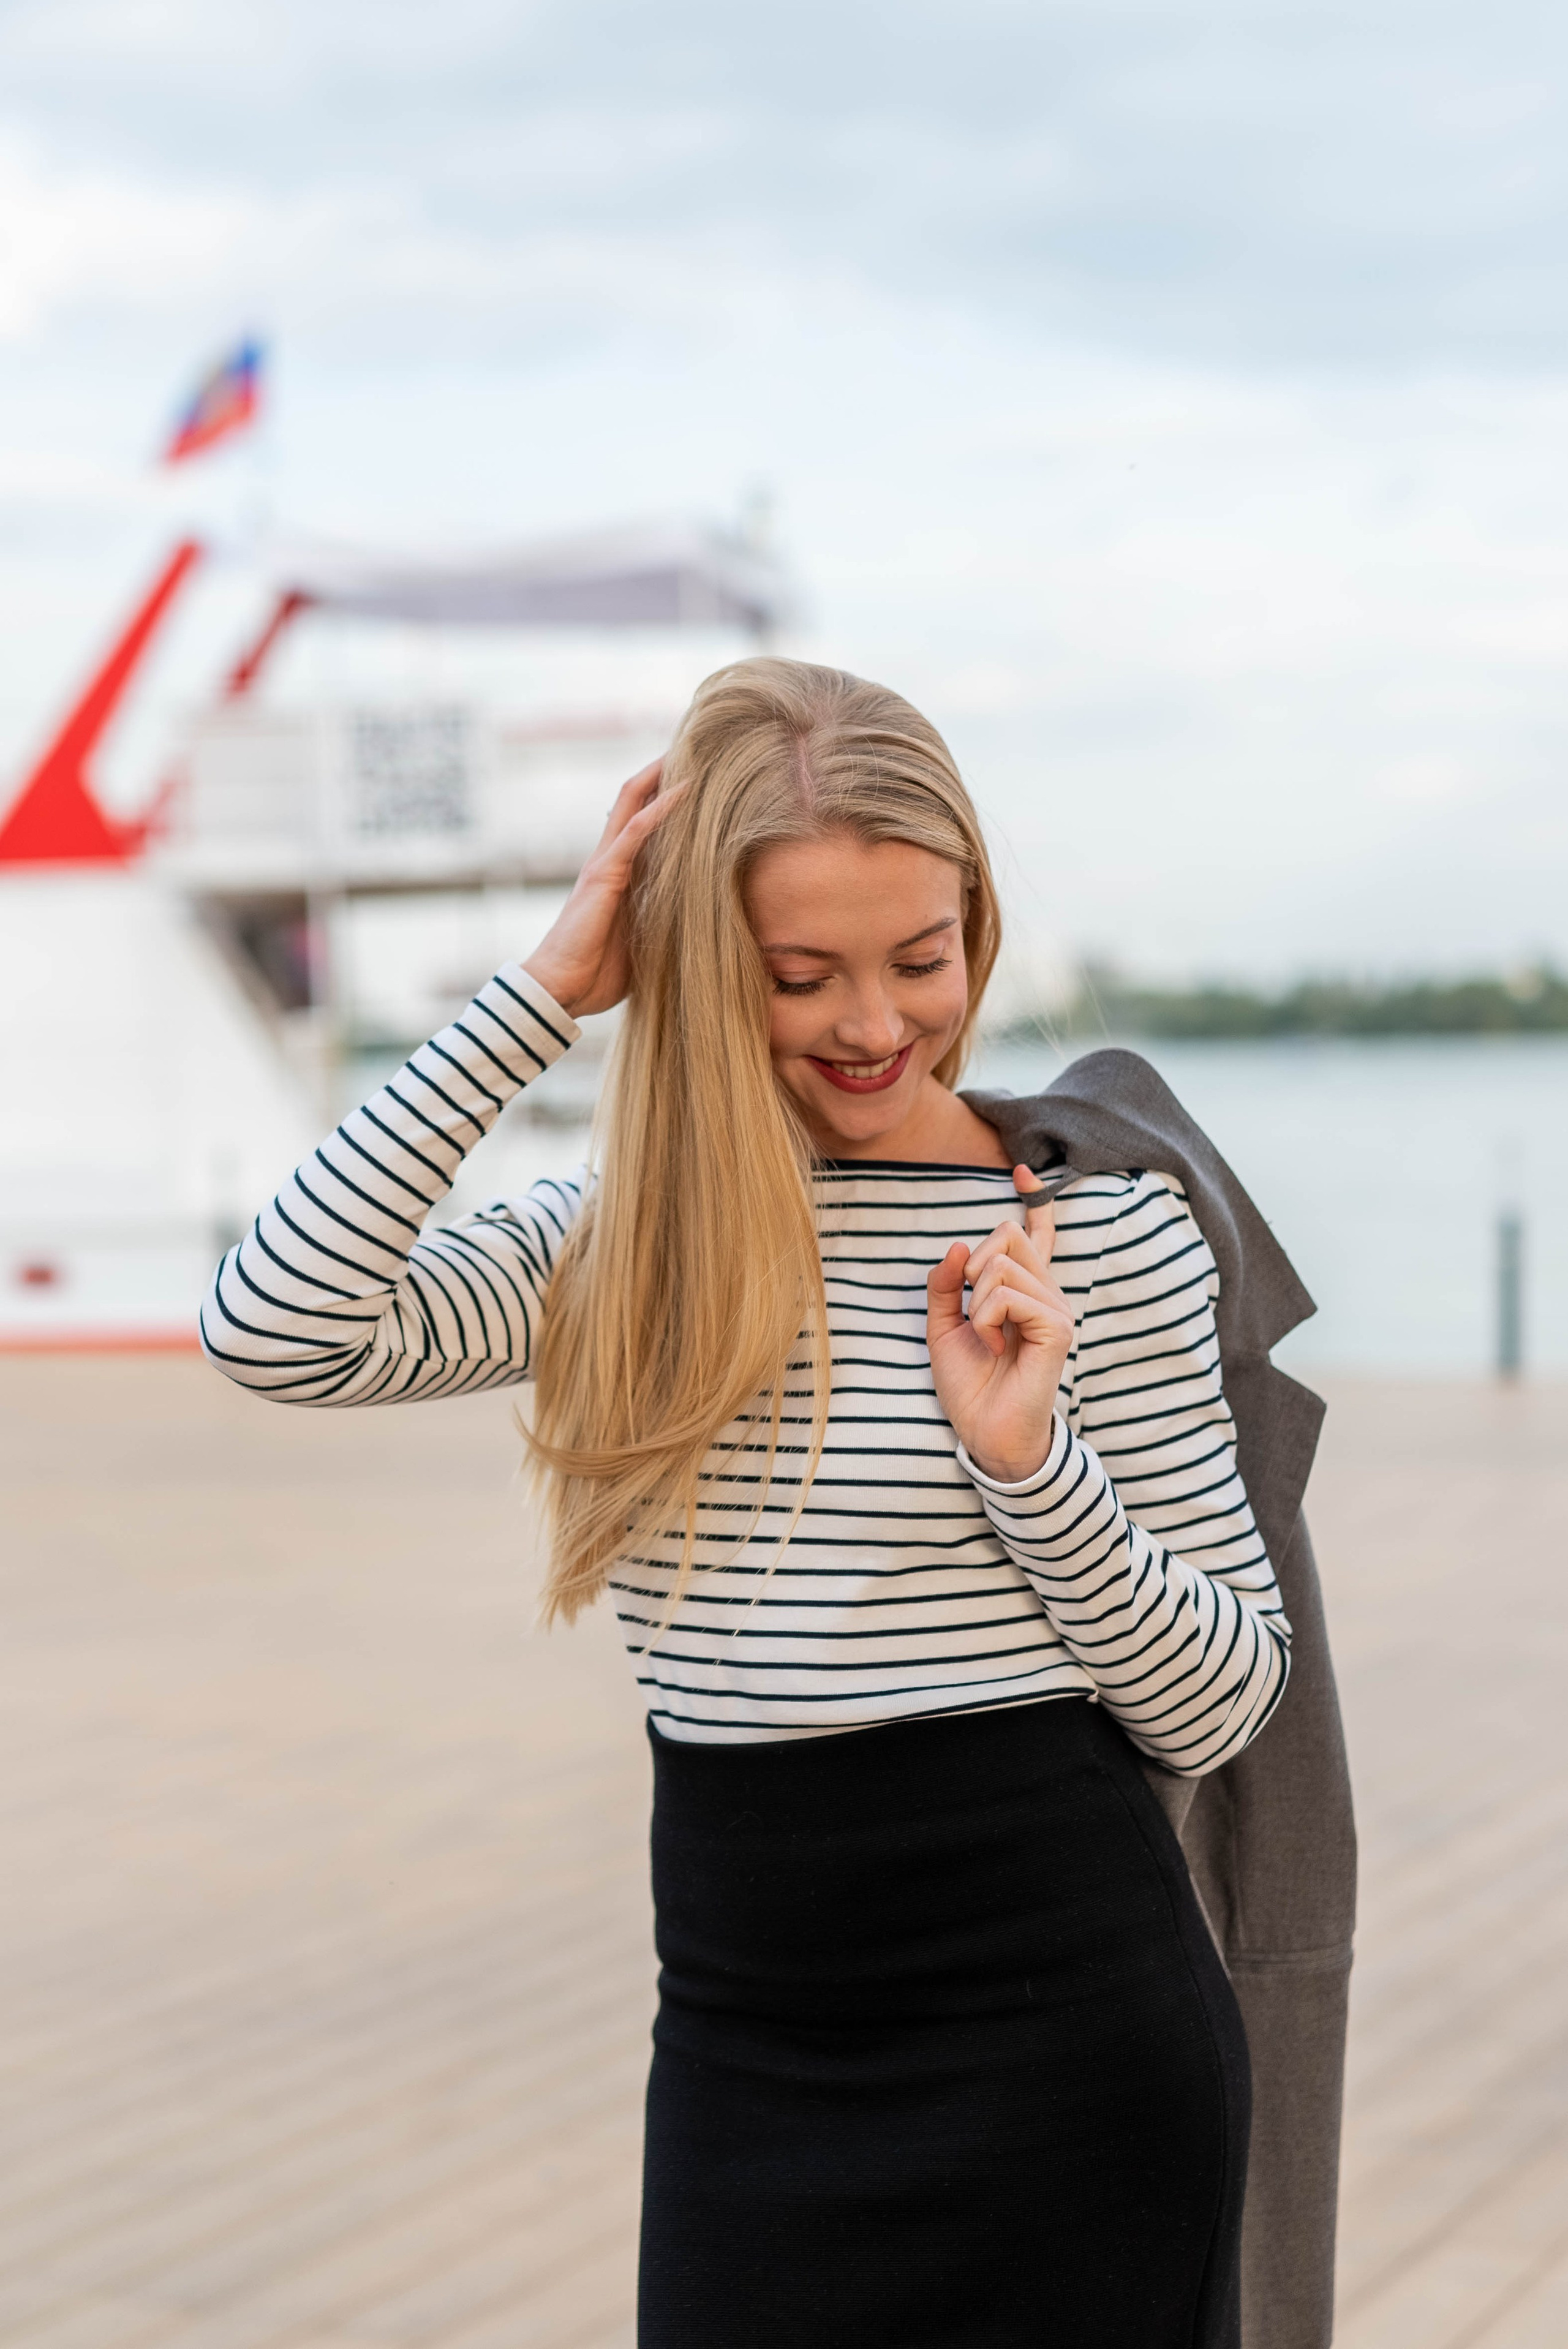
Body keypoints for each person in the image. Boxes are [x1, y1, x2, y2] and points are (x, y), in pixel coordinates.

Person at [203, 657, 1294, 2349]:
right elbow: (274, 1326)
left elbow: (1221, 1701)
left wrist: (1032, 1466)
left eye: (921, 959)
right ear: (704, 964)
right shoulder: (619, 1246)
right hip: (748, 2050)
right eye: (802, 974)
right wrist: (547, 990)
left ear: (977, 926)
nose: (876, 1023)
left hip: (1077, 2059)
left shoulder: (1098, 1235)